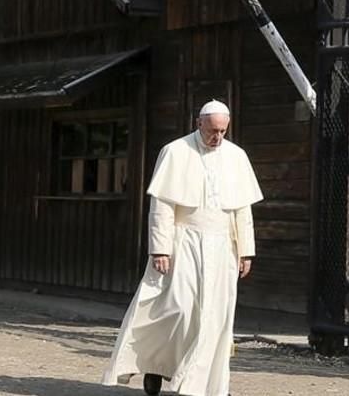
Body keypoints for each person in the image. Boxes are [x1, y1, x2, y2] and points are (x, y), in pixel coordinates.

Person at [102, 100, 262, 396]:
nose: (217, 137)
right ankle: (156, 365)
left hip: (223, 246)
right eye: (213, 130)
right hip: (183, 242)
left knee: (215, 316)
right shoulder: (175, 152)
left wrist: (245, 251)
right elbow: (161, 205)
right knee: (178, 310)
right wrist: (160, 248)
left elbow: (242, 209)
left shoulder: (236, 156)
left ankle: (203, 386)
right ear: (198, 122)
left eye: (223, 131)